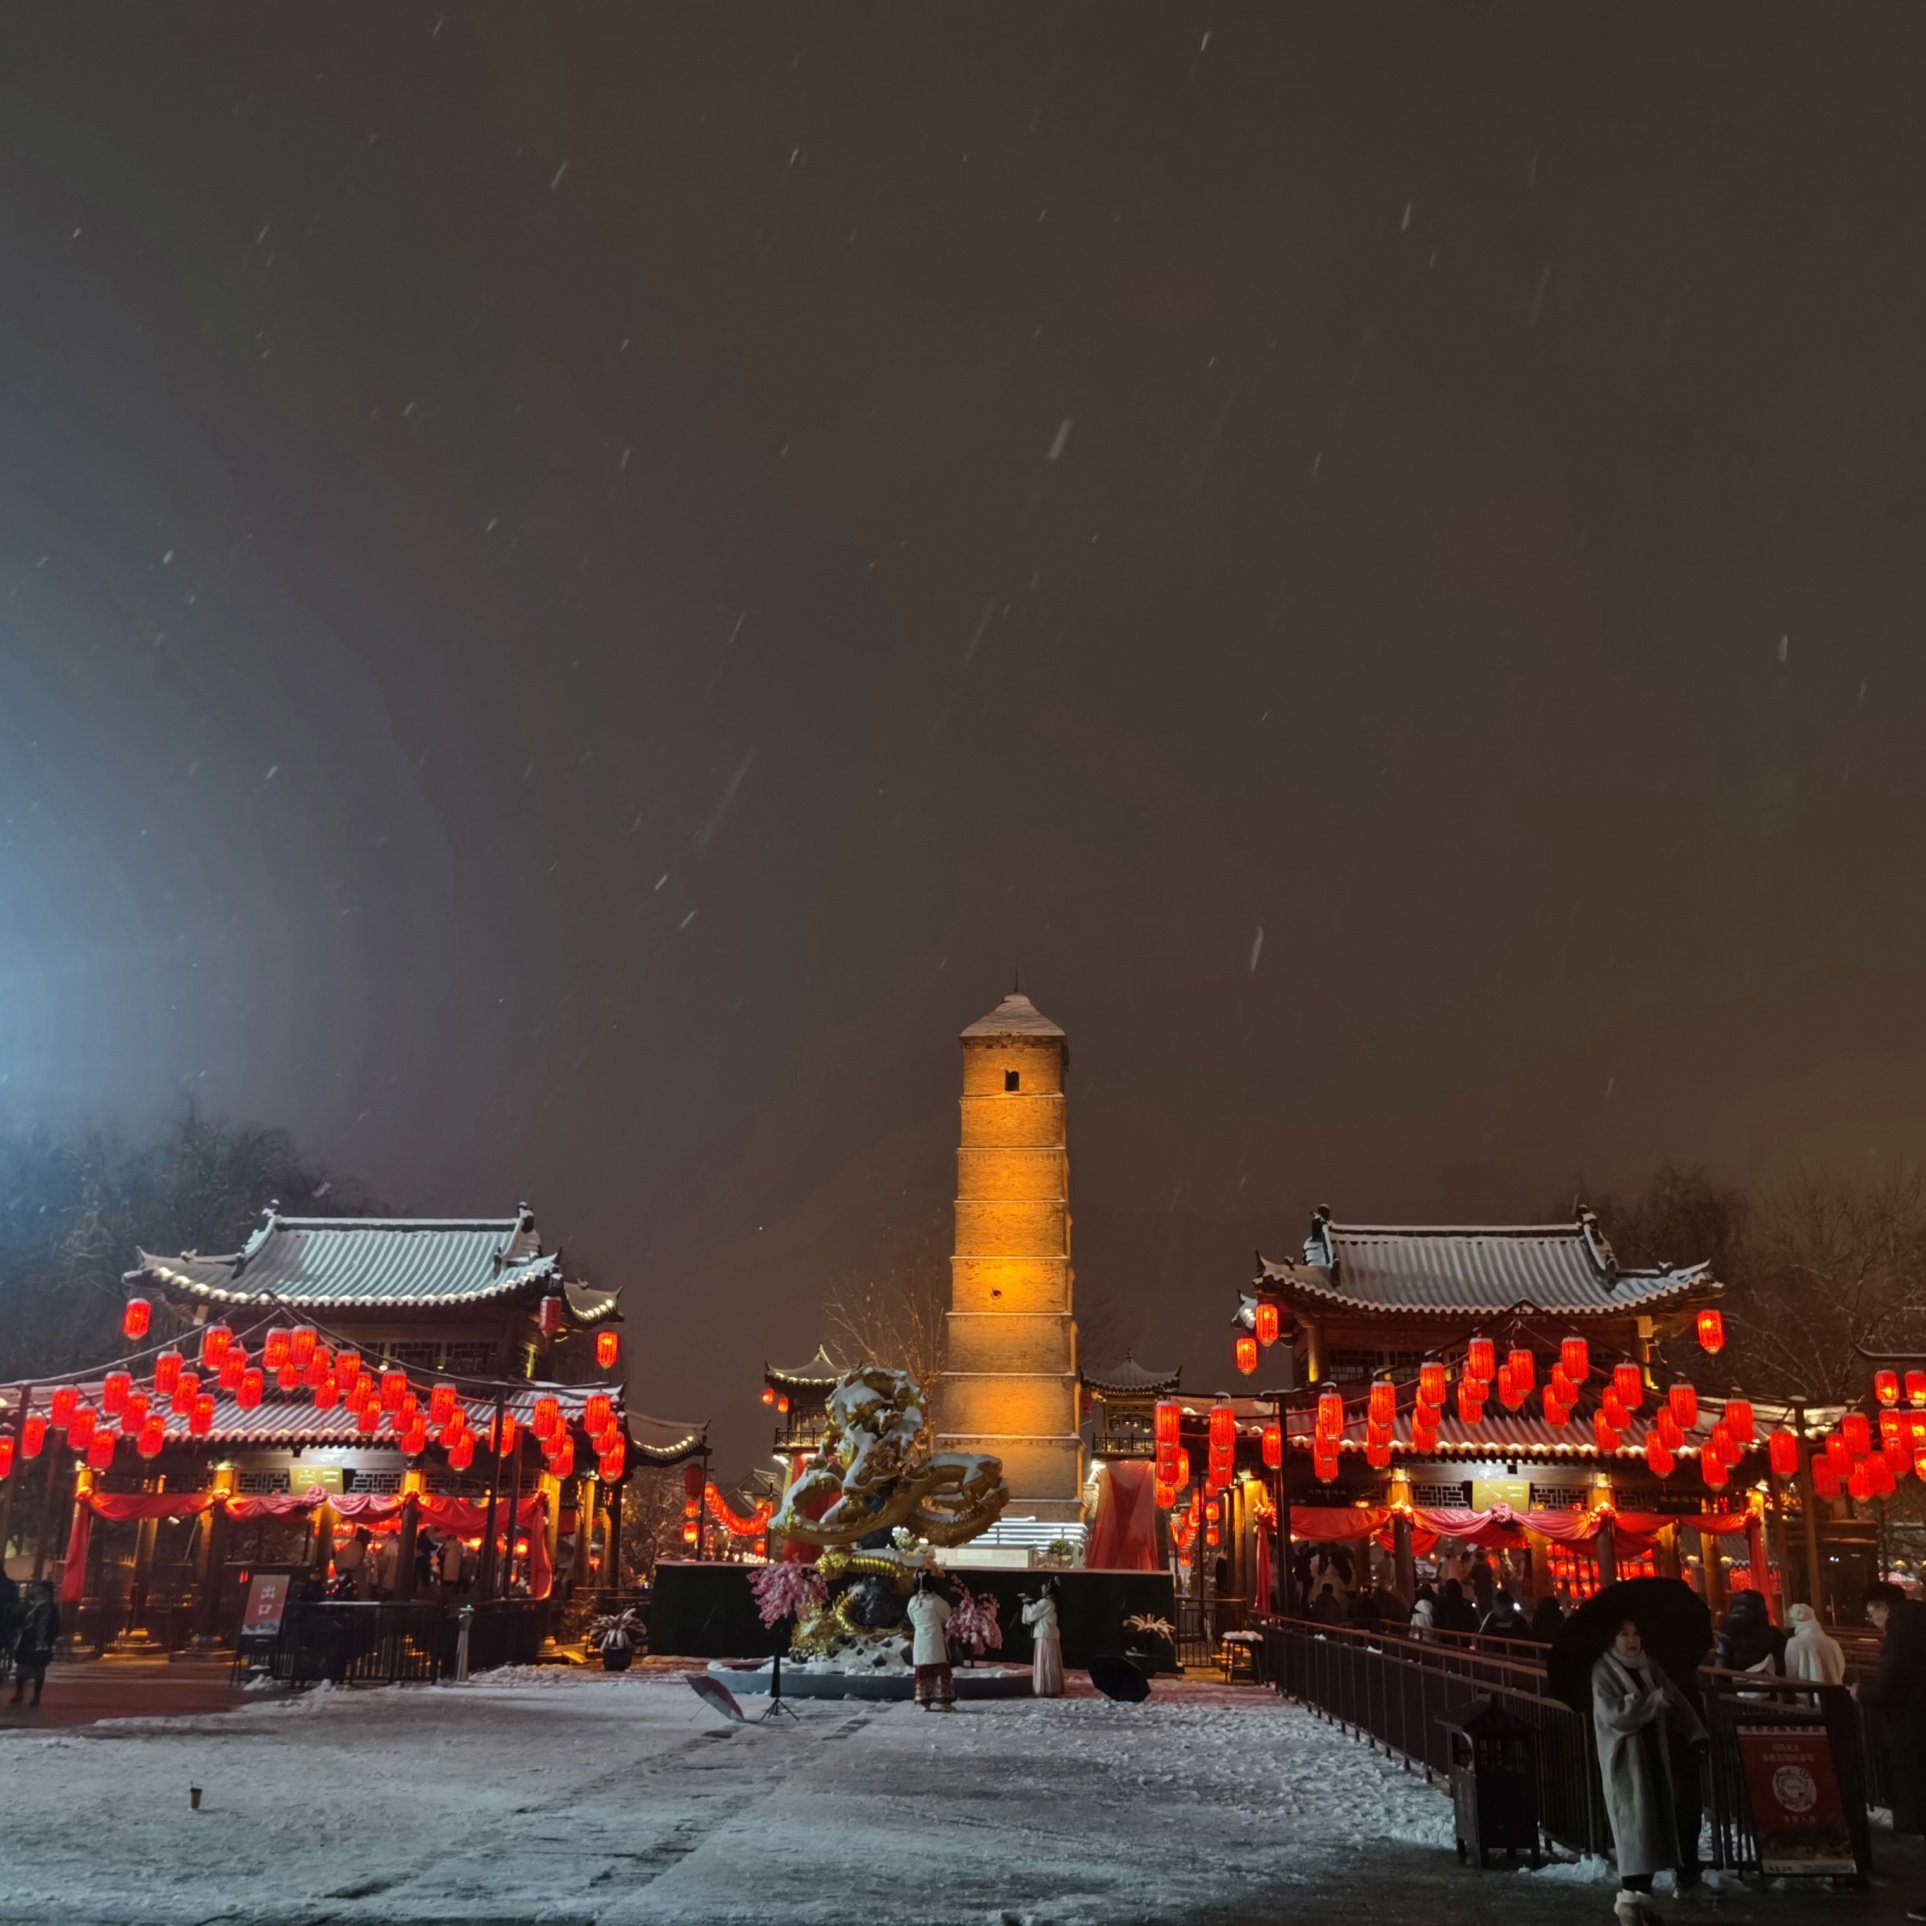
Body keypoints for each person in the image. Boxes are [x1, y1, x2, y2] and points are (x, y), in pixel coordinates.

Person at [1592, 1617, 1707, 1925]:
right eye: (1623, 1634)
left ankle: (1641, 1901)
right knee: (1634, 1827)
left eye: (1636, 1633)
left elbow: (1676, 1699)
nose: (1631, 1640)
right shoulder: (1603, 1671)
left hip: (1655, 1756)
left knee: (1653, 1825)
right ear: (1611, 1639)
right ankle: (1632, 1898)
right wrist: (1651, 1702)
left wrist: (1695, 1732)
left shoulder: (1649, 1666)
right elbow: (1614, 1715)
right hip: (1626, 1762)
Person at [1855, 1580, 1926, 1839]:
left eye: (1871, 1612)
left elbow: (1889, 1685)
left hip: (1911, 1724)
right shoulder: (1919, 1620)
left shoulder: (1901, 1632)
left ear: (1883, 1607)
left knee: (1910, 1788)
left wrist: (1861, 1692)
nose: (1872, 1618)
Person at [1715, 1590, 1786, 1695]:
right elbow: (1782, 1666)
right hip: (1771, 1693)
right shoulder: (1774, 1634)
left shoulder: (1727, 1634)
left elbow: (1720, 1669)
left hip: (1737, 1694)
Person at [907, 1573, 955, 1711]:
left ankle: (924, 1701)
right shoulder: (936, 1601)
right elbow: (947, 1614)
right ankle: (944, 1701)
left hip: (920, 1640)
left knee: (923, 1670)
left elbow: (913, 1620)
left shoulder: (912, 1601)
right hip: (935, 1640)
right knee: (940, 1669)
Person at [10, 1581, 60, 1708]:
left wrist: (49, 1640)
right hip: (26, 1641)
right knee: (21, 1669)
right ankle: (20, 1693)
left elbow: (54, 1626)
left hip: (40, 1643)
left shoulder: (50, 1608)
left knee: (38, 1670)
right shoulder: (28, 1606)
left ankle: (36, 1695)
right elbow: (17, 1620)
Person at [1782, 1601, 1846, 1686]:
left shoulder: (1793, 1643)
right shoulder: (1832, 1643)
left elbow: (1791, 1673)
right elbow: (1840, 1669)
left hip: (1805, 1695)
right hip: (1832, 1694)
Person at [1020, 1579, 1063, 1698]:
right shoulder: (1052, 1601)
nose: (1042, 1588)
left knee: (1045, 1660)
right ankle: (1051, 1686)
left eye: (1045, 1586)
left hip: (1044, 1635)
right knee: (1049, 1661)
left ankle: (1046, 1688)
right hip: (1049, 1634)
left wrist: (1027, 1603)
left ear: (1049, 1588)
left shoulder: (1046, 1602)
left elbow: (1032, 1614)